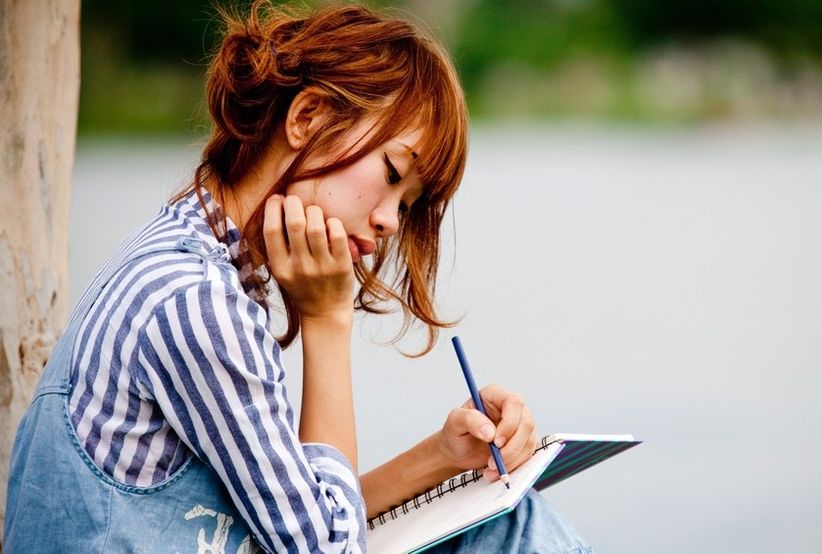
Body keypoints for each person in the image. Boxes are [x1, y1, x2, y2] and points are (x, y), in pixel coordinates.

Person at [3, 2, 591, 552]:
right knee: (518, 533)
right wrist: (328, 321)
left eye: (408, 205)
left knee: (504, 516)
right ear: (307, 117)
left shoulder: (193, 260)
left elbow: (303, 512)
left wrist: (443, 457)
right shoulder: (197, 305)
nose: (389, 221)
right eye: (391, 172)